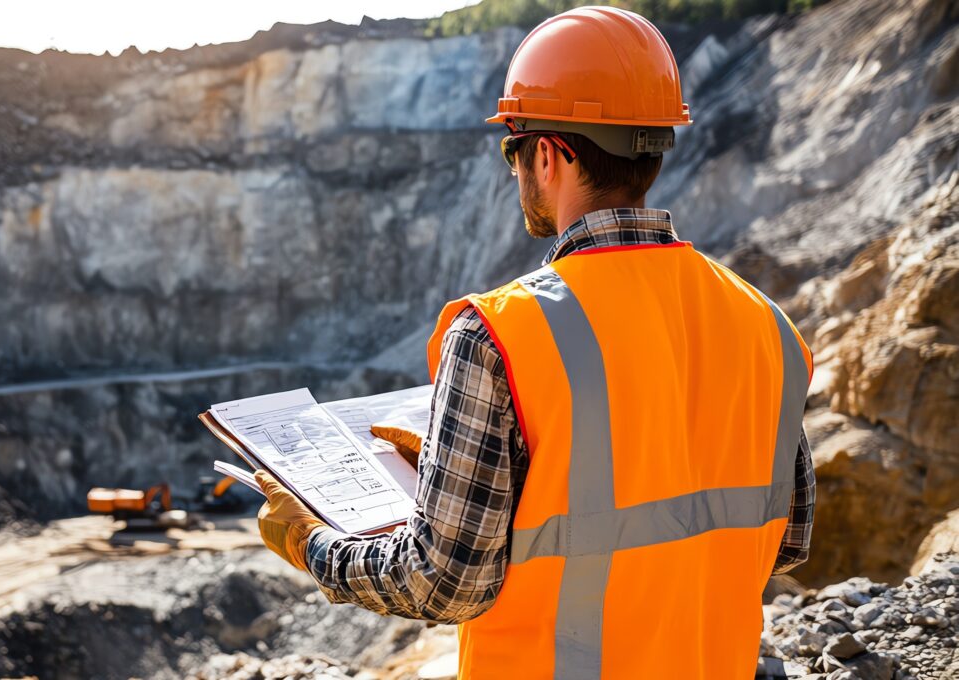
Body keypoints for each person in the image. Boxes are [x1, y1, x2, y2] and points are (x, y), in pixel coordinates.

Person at [253, 6, 816, 679]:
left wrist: (312, 544)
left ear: (547, 154)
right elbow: (784, 538)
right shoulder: (767, 326)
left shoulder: (499, 334)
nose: (514, 167)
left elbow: (444, 582)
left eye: (512, 148)